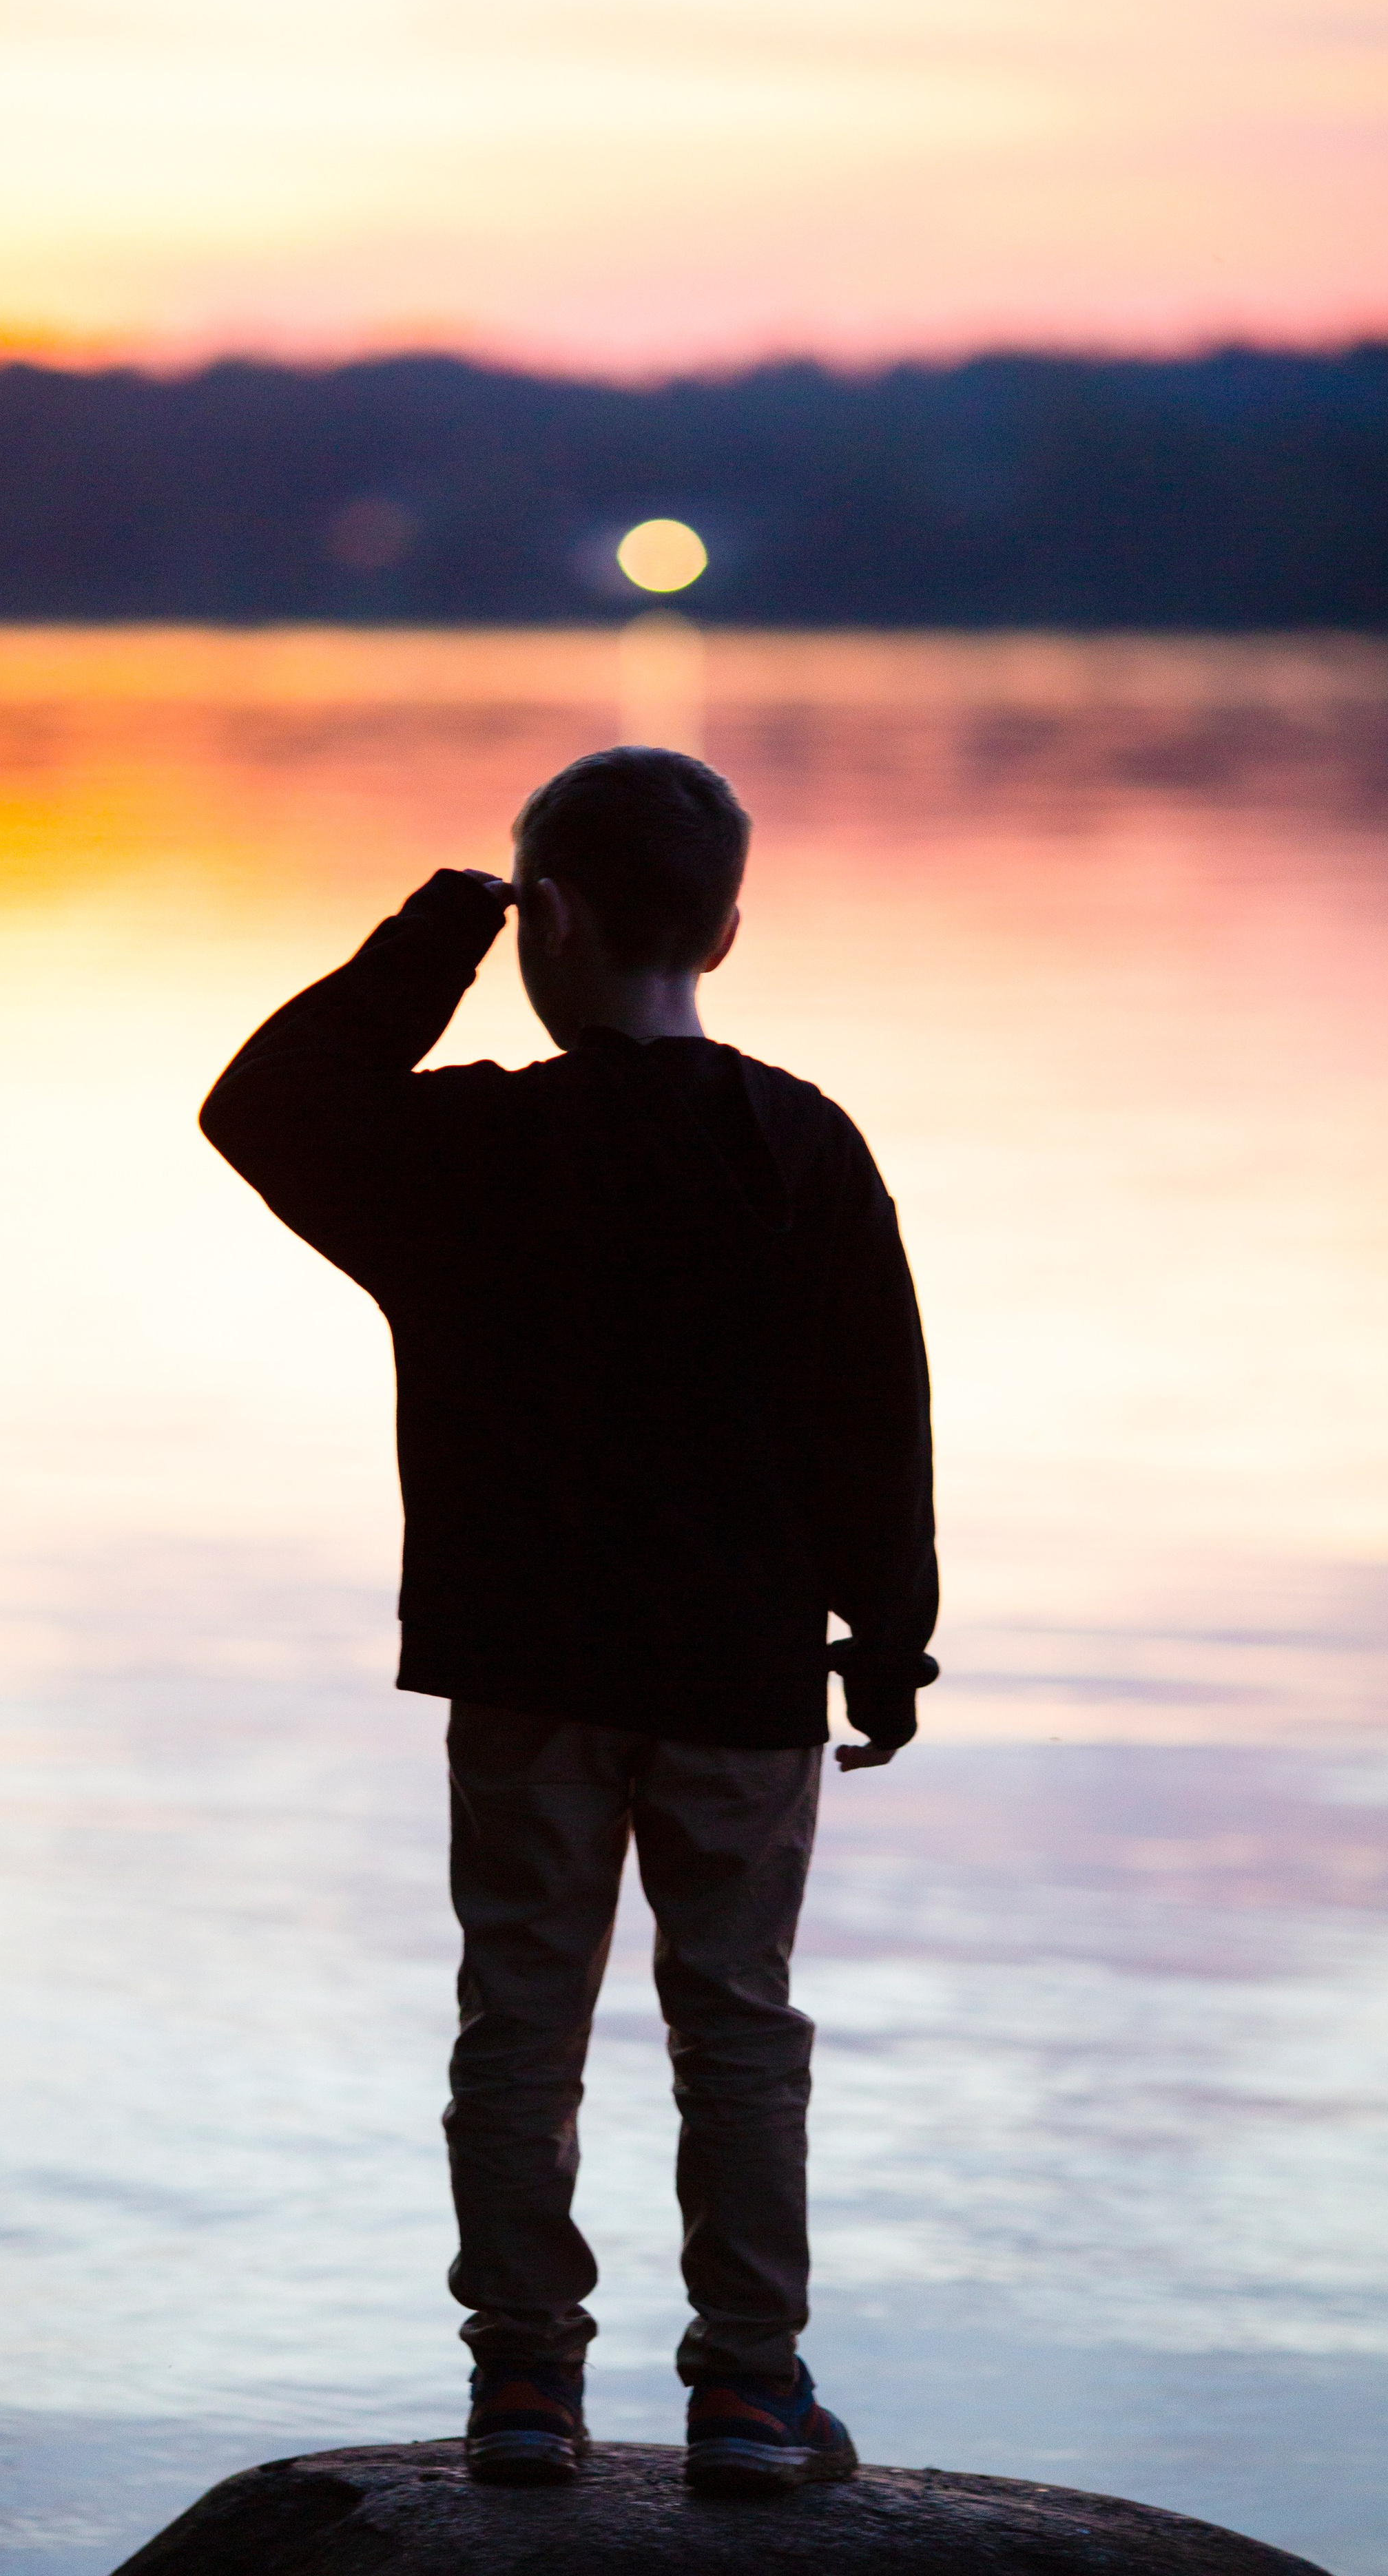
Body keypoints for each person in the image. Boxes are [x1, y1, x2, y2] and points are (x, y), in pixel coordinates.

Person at [198, 745, 937, 2495]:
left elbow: (262, 1105)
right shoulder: (797, 1141)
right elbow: (875, 1407)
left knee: (519, 2015)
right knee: (736, 2021)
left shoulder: (469, 1146)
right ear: (728, 930)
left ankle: (522, 2388)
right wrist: (888, 1636)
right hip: (740, 1670)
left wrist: (438, 931)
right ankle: (750, 2389)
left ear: (554, 917)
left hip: (524, 1665)